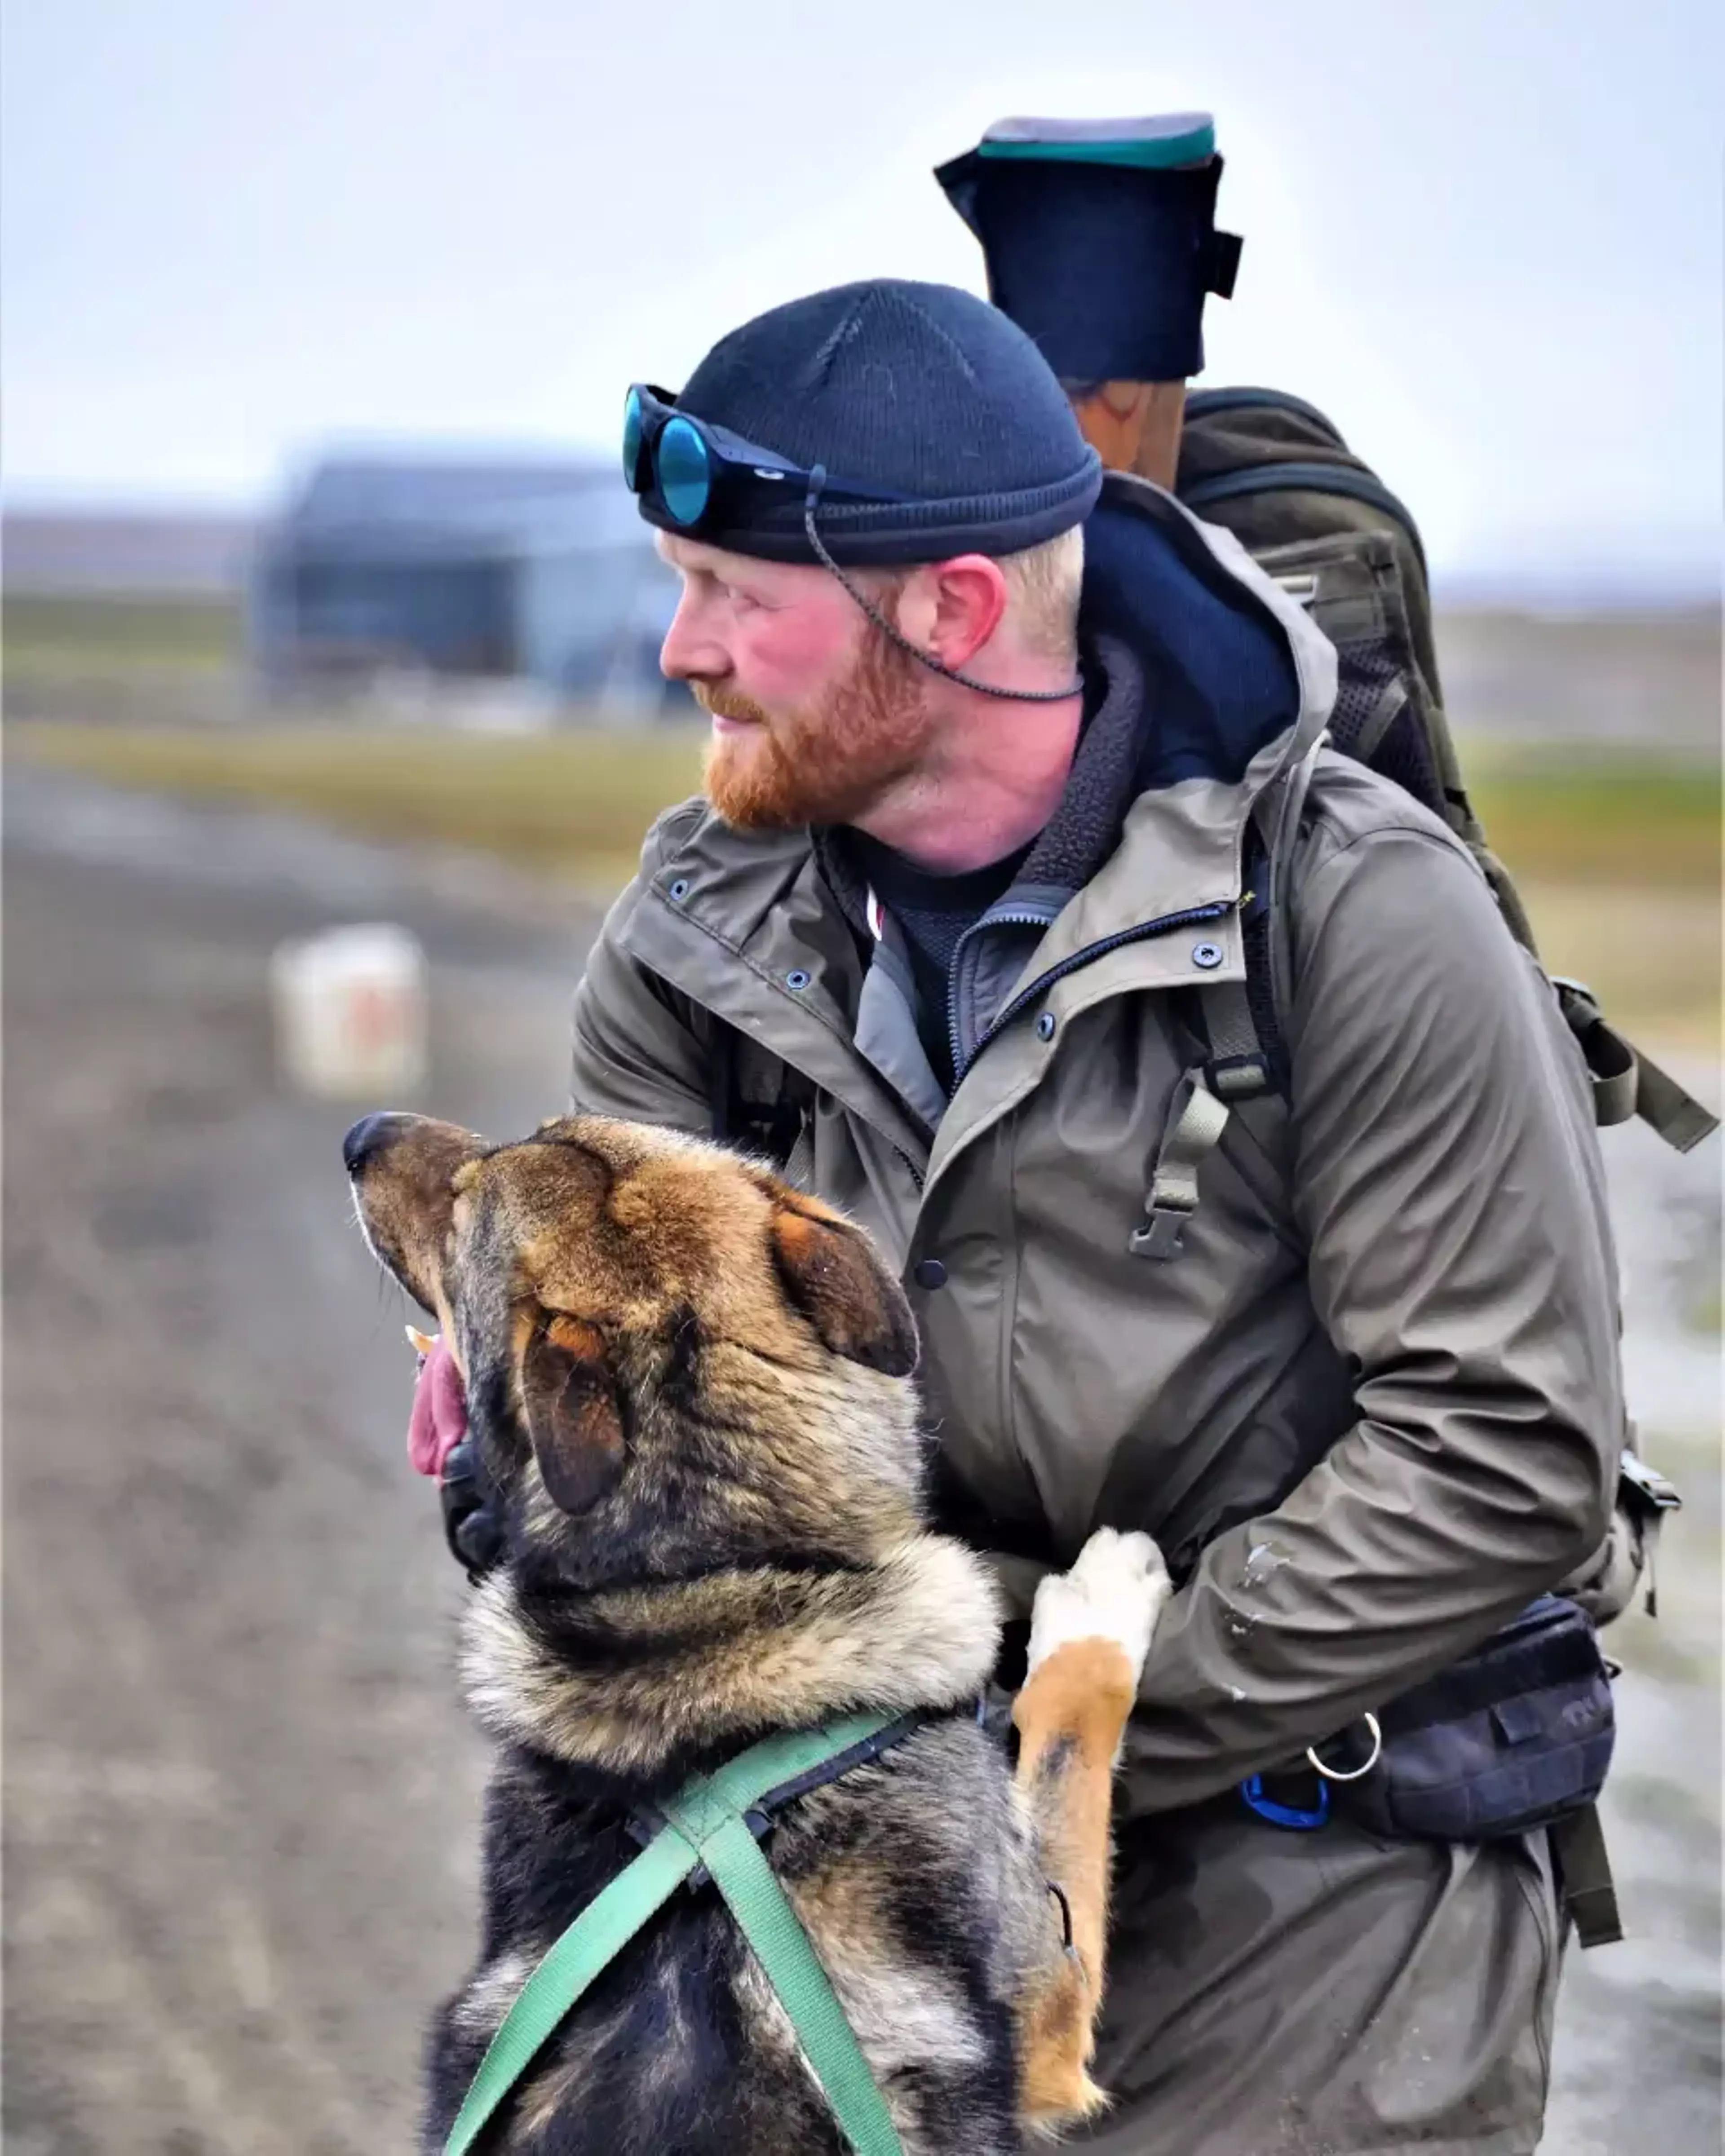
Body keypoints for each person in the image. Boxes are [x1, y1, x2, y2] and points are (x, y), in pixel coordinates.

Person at [410, 277, 1628, 2153]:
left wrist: (1070, 1715)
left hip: (1316, 1877)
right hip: (858, 1875)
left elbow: (1503, 1451)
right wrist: (514, 1462)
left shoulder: (1359, 918)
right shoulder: (698, 937)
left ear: (955, 613)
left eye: (738, 592)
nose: (680, 650)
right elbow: (655, 1448)